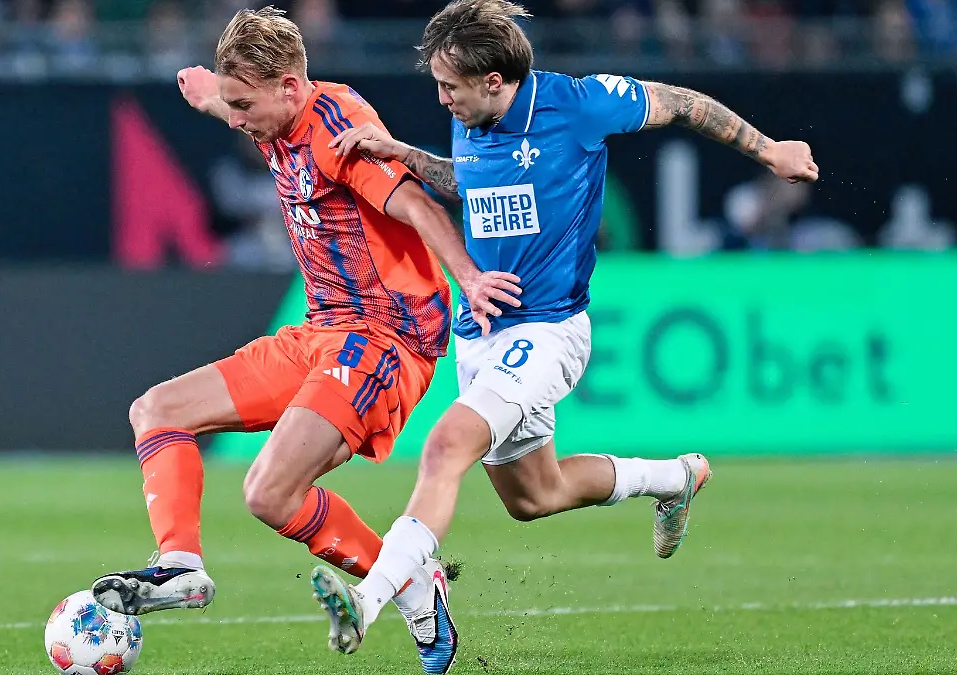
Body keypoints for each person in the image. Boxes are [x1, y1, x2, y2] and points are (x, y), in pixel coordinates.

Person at [308, 1, 821, 672]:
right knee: (534, 496)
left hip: (547, 330)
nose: (441, 99)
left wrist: (769, 149)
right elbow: (471, 181)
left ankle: (370, 599)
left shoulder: (578, 104)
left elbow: (684, 105)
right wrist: (404, 154)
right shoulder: (471, 116)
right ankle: (675, 478)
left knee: (445, 446)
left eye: (449, 87)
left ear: (494, 80)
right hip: (481, 332)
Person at [89, 6, 522, 670]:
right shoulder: (271, 114)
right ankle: (180, 566)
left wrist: (468, 277)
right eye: (232, 104)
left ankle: (409, 583)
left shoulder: (337, 128)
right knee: (156, 410)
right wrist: (209, 95)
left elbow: (415, 202)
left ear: (290, 87)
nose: (237, 120)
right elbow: (236, 103)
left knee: (267, 491)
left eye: (244, 105)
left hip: (384, 338)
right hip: (320, 330)